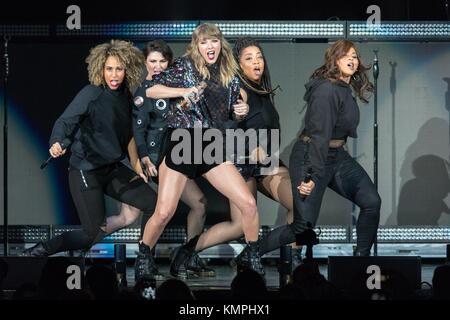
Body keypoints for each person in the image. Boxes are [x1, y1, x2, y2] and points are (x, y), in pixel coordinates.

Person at [135, 23, 263, 280]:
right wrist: (183, 91)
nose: (210, 46)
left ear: (220, 43)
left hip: (210, 142)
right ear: (197, 45)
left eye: (213, 41)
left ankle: (252, 259)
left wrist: (242, 109)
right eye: (204, 42)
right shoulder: (185, 66)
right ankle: (143, 256)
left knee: (248, 204)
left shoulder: (228, 70)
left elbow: (237, 100)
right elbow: (151, 89)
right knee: (163, 212)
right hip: (182, 140)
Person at [171, 37, 302, 275]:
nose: (256, 62)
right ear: (239, 64)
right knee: (238, 226)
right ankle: (188, 250)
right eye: (249, 58)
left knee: (299, 205)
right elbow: (225, 126)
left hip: (266, 161)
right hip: (242, 161)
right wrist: (251, 146)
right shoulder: (237, 89)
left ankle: (288, 258)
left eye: (259, 57)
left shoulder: (261, 89)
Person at [21, 40, 157, 263]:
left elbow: (130, 134)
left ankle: (144, 258)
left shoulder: (126, 97)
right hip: (85, 170)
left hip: (111, 169)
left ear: (127, 70)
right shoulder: (91, 93)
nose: (114, 75)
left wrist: (135, 165)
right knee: (91, 232)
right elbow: (65, 122)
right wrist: (56, 142)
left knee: (153, 204)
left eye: (119, 69)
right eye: (109, 69)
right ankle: (40, 250)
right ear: (101, 69)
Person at [246, 39, 381, 260]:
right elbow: (319, 138)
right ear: (334, 60)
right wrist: (312, 176)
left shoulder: (343, 88)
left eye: (354, 56)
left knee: (371, 202)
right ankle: (251, 254)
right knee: (302, 226)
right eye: (345, 55)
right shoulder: (327, 90)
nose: (351, 60)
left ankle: (361, 261)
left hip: (337, 157)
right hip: (312, 156)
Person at [105, 40, 215, 278]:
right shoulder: (144, 91)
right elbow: (138, 129)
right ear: (145, 63)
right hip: (157, 158)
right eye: (152, 61)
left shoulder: (176, 85)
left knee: (200, 203)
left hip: (178, 155)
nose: (157, 66)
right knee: (157, 211)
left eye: (162, 61)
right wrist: (143, 158)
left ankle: (187, 255)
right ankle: (145, 259)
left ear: (169, 63)